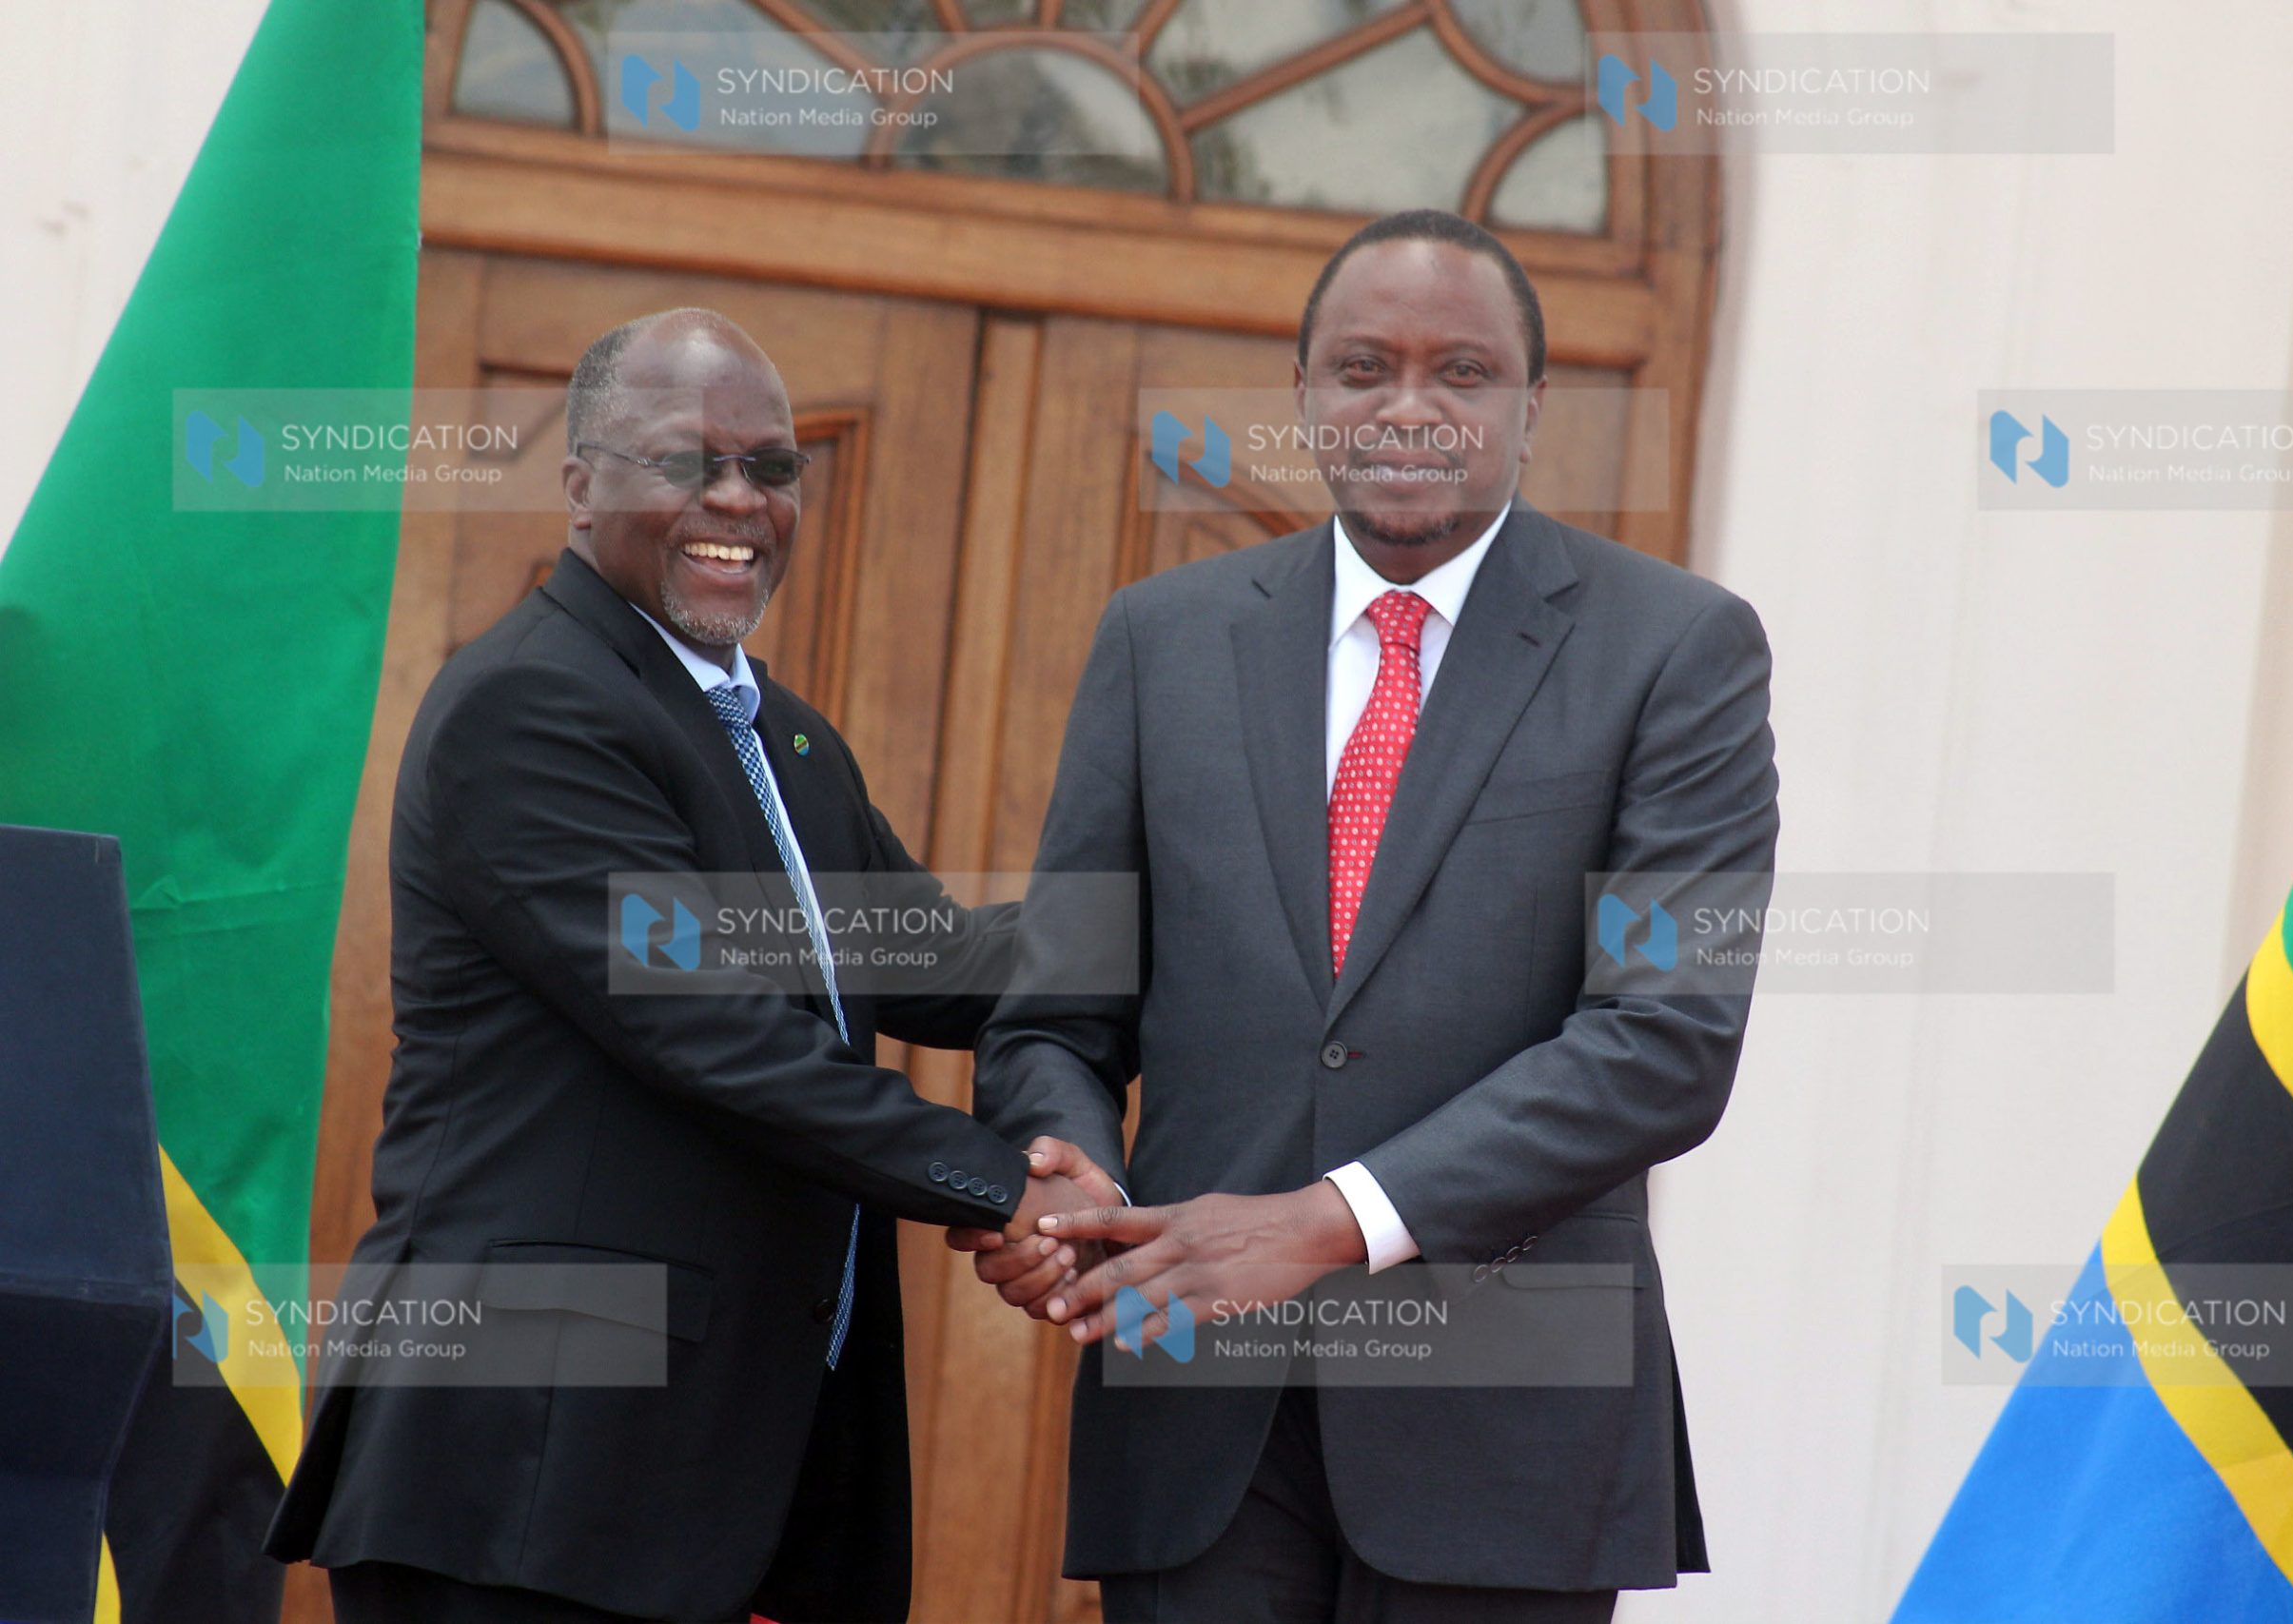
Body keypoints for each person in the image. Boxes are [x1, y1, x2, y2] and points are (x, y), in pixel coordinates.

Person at [959, 210, 1780, 1622]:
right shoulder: (1160, 640)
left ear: (1533, 408)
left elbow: (1663, 1042)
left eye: (1461, 373)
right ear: (1303, 399)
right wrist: (1071, 1175)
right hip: (1195, 1403)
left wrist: (1329, 1223)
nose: (1408, 408)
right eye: (1362, 369)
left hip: (1508, 1426)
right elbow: (1061, 1012)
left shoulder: (1676, 650)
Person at [265, 309, 1111, 1622]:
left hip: (732, 1488)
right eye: (686, 461)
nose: (737, 499)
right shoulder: (529, 707)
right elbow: (719, 1034)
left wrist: (1208, 938)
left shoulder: (784, 738)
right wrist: (1007, 1185)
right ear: (579, 482)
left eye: (771, 467)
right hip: (532, 1480)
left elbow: (938, 958)